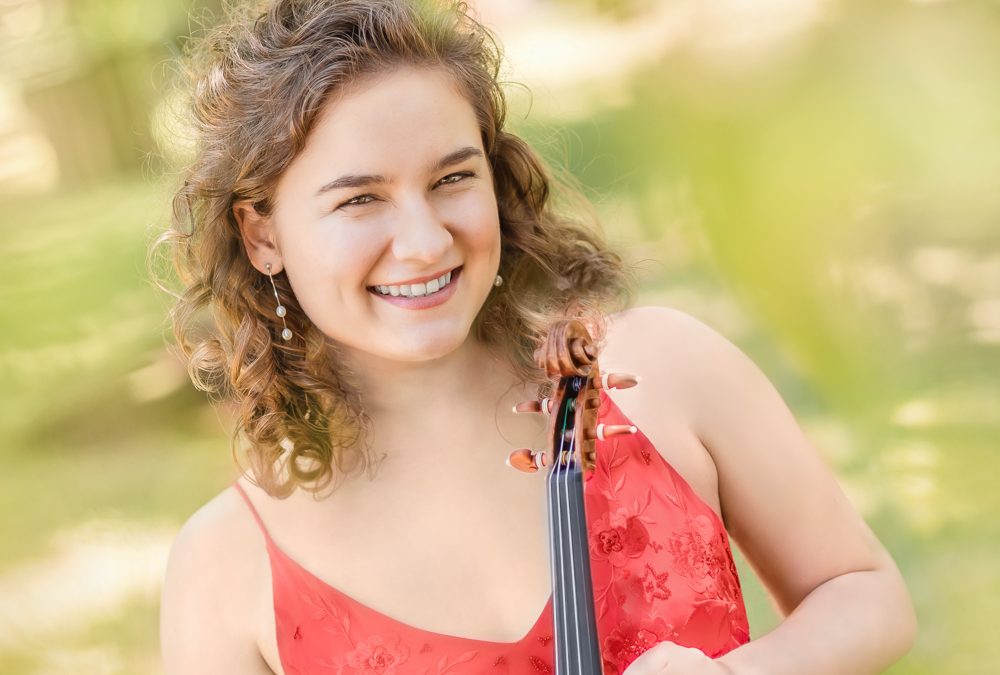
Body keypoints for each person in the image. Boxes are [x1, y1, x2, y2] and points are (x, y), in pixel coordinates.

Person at [155, 1, 917, 673]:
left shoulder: (667, 368)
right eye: (360, 199)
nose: (425, 242)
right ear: (262, 235)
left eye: (452, 178)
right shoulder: (225, 569)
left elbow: (864, 592)